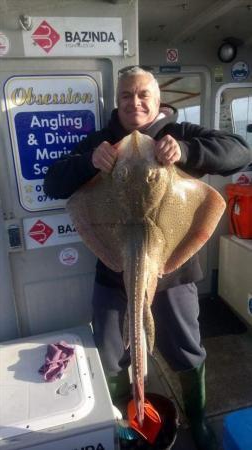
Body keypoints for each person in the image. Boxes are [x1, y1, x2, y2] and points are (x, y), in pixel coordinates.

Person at [44, 67, 252, 450]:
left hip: (174, 270)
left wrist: (186, 152)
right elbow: (53, 181)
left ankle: (198, 418)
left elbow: (239, 151)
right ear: (117, 101)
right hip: (114, 269)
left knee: (186, 349)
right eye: (126, 95)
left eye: (143, 95)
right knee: (110, 355)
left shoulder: (182, 134)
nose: (134, 102)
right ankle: (129, 417)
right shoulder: (101, 142)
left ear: (158, 101)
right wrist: (89, 162)